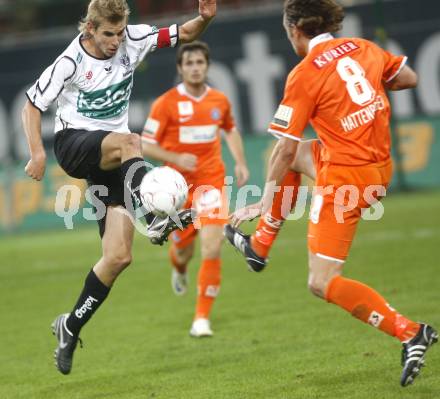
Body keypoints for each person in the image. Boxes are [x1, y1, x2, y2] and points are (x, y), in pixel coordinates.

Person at [224, 0, 437, 387]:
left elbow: (283, 147)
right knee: (296, 156)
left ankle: (410, 332)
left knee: (321, 281)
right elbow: (409, 79)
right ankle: (258, 247)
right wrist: (367, 91)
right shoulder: (363, 47)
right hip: (379, 167)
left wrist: (262, 199)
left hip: (346, 182)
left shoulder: (304, 74)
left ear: (293, 30)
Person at [22, 0, 217, 375]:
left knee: (118, 256)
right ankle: (155, 217)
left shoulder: (134, 39)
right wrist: (37, 154)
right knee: (132, 140)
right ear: (90, 29)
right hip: (75, 144)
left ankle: (70, 326)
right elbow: (31, 105)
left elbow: (185, 33)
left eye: (119, 32)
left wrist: (205, 18)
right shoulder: (70, 61)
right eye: (107, 34)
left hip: (111, 161)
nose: (115, 41)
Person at [142, 41, 249, 337]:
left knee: (213, 247)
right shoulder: (165, 104)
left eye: (200, 62)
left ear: (207, 66)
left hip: (211, 182)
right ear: (180, 68)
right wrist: (175, 157)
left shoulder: (219, 101)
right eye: (189, 63)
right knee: (183, 251)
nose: (195, 67)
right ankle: (178, 268)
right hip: (177, 191)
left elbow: (229, 129)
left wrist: (240, 162)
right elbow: (144, 143)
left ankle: (201, 319)